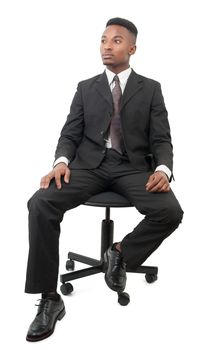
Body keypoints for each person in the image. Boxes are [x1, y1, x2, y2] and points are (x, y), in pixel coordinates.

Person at [25, 17, 183, 342]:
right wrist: (61, 161)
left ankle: (120, 253)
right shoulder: (86, 88)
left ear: (132, 48)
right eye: (103, 40)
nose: (107, 46)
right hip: (89, 167)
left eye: (116, 40)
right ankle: (49, 299)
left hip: (134, 168)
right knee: (40, 203)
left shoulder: (150, 88)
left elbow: (162, 139)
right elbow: (70, 132)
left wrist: (162, 169)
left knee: (170, 211)